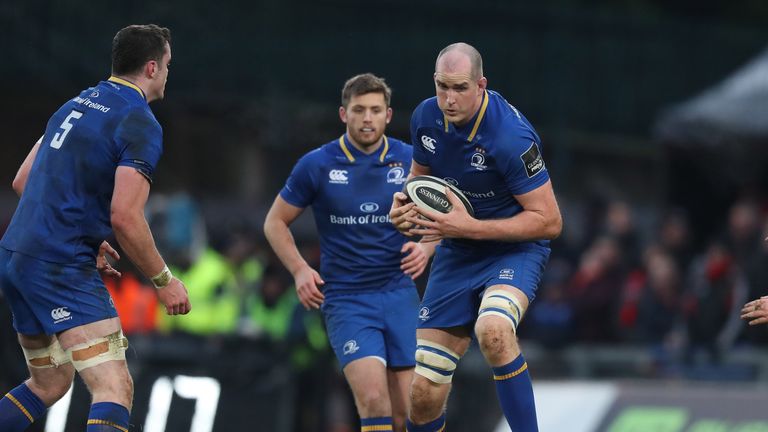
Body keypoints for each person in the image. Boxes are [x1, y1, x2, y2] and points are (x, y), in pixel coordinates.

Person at [0, 24, 190, 432]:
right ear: (153, 67)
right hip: (59, 267)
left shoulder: (75, 103)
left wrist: (85, 230)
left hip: (16, 256)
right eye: (169, 65)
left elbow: (22, 180)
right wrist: (163, 280)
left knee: (49, 383)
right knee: (113, 388)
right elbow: (126, 216)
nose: (169, 74)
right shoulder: (139, 122)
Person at [389, 43, 562, 432]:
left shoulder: (510, 137)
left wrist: (468, 228)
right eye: (442, 86)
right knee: (423, 396)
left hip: (513, 250)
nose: (449, 99)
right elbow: (419, 181)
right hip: (458, 250)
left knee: (493, 330)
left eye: (460, 88)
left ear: (481, 85)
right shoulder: (425, 118)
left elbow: (550, 222)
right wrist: (401, 207)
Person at [264, 73, 433, 432]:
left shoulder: (410, 161)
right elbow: (274, 222)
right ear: (344, 114)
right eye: (359, 110)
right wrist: (299, 270)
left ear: (388, 115)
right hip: (347, 300)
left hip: (399, 293)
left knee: (411, 412)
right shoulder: (317, 164)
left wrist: (428, 247)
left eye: (375, 110)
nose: (367, 118)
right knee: (373, 400)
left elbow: (451, 212)